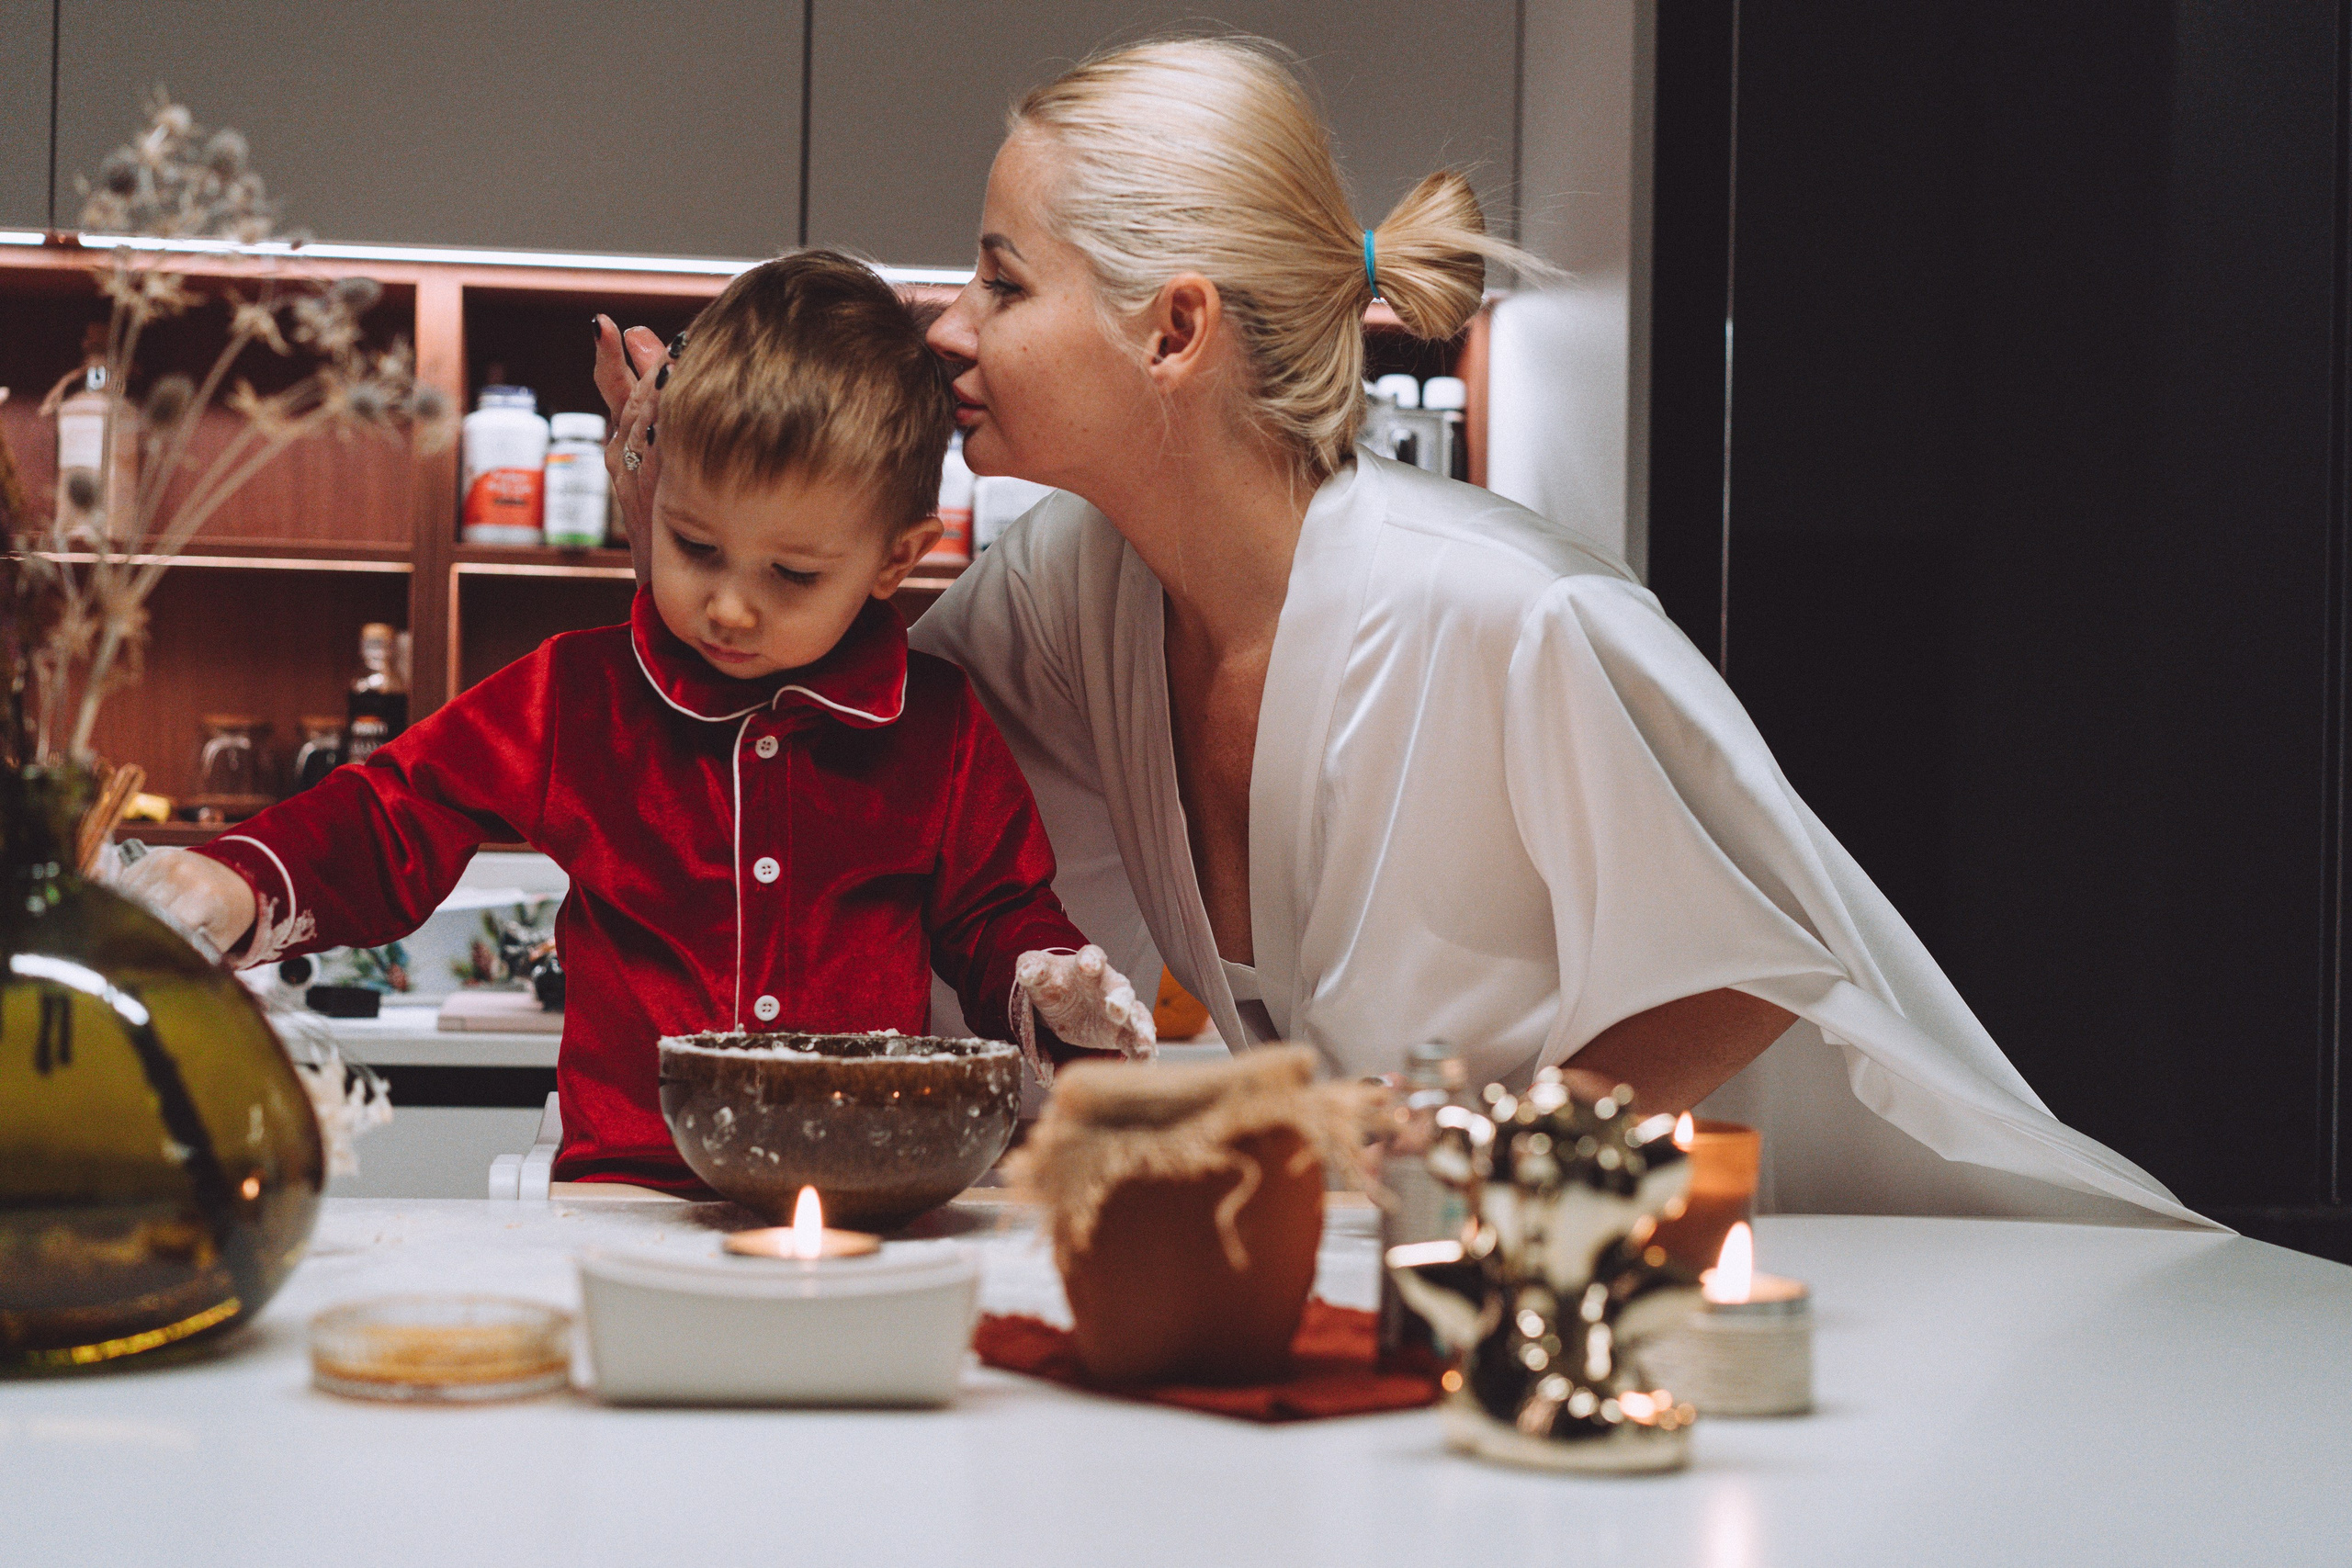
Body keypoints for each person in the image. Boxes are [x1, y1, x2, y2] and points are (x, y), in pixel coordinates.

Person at [597, 39, 2207, 1226]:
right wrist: (690, 509)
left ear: (1173, 330)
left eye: (1003, 282)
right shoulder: (1071, 592)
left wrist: (1467, 1164)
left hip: (1824, 1262)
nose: (947, 323)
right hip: (1467, 1272)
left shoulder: (1512, 612)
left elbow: (1761, 966)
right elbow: (820, 756)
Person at [120, 252, 1155, 1190]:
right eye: (694, 546)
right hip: (624, 1185)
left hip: (861, 1188)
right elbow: (393, 814)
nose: (731, 605)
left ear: (895, 559)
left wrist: (1045, 987)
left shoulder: (935, 727)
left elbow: (994, 916)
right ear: (648, 495)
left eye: (792, 573)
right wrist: (241, 877)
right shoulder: (578, 696)